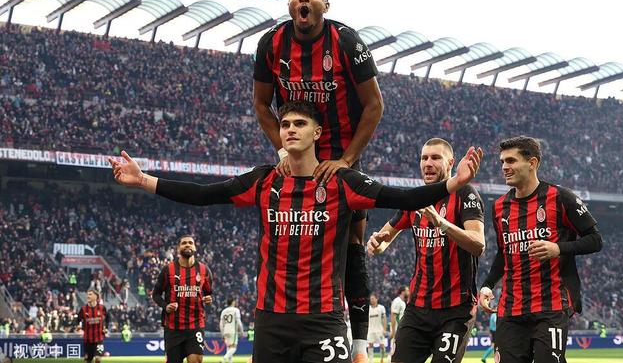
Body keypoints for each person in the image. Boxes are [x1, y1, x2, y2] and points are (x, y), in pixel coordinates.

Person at [109, 100, 482, 363]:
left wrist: (453, 183)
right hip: (272, 319)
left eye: (299, 123)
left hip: (324, 319)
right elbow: (203, 194)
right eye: (285, 124)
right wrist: (143, 180)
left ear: (317, 132)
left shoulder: (341, 182)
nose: (290, 129)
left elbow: (402, 197)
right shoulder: (263, 180)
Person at [253, 0, 384, 362]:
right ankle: (278, 324)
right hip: (296, 156)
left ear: (326, 5)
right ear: (289, 4)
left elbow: (374, 105)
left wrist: (346, 160)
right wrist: (282, 150)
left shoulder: (346, 41)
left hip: (340, 158)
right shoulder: (271, 43)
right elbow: (261, 103)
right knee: (281, 233)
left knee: (353, 242)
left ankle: (358, 344)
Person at [479, 136, 603, 363]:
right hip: (510, 309)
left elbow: (595, 240)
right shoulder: (499, 207)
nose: (504, 167)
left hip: (551, 306)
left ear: (532, 163)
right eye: (502, 162)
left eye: (511, 161)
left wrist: (558, 248)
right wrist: (487, 285)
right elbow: (503, 253)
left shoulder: (561, 198)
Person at [368, 138, 486, 363]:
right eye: (424, 158)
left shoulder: (465, 194)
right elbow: (384, 239)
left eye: (435, 158)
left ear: (450, 162)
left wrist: (441, 223)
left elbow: (478, 244)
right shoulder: (416, 198)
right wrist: (376, 243)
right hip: (418, 308)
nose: (428, 163)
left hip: (456, 310)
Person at [151, 235, 214, 363]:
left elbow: (208, 293)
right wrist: (166, 306)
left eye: (190, 243)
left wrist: (208, 299)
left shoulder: (204, 270)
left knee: (196, 360)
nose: (187, 245)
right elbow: (156, 294)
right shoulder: (168, 270)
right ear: (178, 248)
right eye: (184, 243)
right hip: (173, 327)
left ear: (195, 247)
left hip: (195, 324)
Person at [77, 289, 109, 363]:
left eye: (90, 294)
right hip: (87, 339)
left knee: (98, 359)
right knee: (88, 360)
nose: (88, 296)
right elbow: (78, 320)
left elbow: (107, 318)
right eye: (87, 294)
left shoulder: (102, 308)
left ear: (96, 296)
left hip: (99, 339)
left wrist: (106, 327)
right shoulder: (83, 309)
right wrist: (79, 326)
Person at [220, 297, 244, 363]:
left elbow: (221, 324)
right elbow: (238, 321)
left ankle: (230, 362)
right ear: (233, 302)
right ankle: (224, 359)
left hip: (225, 331)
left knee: (229, 347)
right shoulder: (236, 310)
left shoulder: (224, 311)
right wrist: (241, 331)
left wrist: (222, 333)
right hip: (233, 331)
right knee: (233, 348)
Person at [366, 294, 387, 363]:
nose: (371, 300)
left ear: (376, 299)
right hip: (370, 330)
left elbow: (384, 319)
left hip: (379, 330)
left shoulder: (381, 308)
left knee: (382, 345)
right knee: (370, 345)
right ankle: (370, 360)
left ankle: (382, 359)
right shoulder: (368, 308)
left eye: (373, 299)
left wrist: (384, 329)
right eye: (371, 299)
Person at [389, 286, 408, 359]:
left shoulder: (402, 302)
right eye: (407, 290)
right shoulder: (397, 301)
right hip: (397, 329)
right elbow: (393, 316)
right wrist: (393, 331)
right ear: (403, 292)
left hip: (401, 329)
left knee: (400, 350)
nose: (408, 292)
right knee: (394, 350)